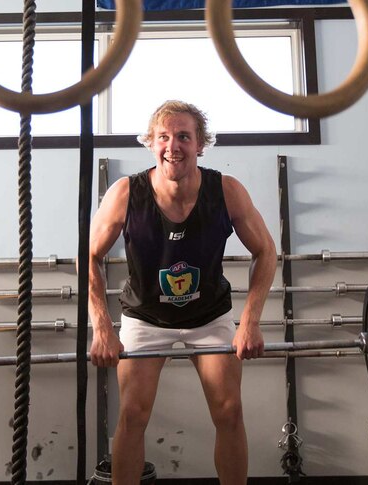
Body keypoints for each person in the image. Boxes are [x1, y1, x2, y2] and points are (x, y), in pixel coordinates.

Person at [88, 100, 277, 485]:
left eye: (183, 137)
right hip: (145, 317)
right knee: (133, 414)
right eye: (164, 137)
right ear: (151, 143)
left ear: (200, 144)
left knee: (228, 411)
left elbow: (266, 251)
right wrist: (102, 328)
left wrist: (250, 322)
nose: (173, 145)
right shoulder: (126, 193)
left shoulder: (226, 190)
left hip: (209, 316)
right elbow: (87, 256)